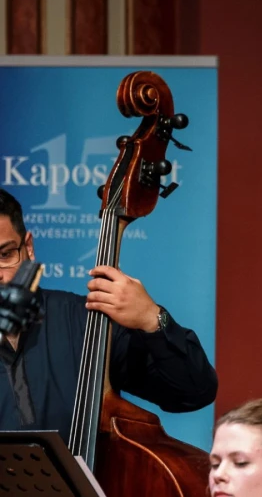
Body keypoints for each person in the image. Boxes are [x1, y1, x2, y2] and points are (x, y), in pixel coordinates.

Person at [0, 188, 218, 443]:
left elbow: (193, 393)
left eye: (5, 255)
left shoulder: (86, 321)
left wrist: (152, 319)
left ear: (28, 247)